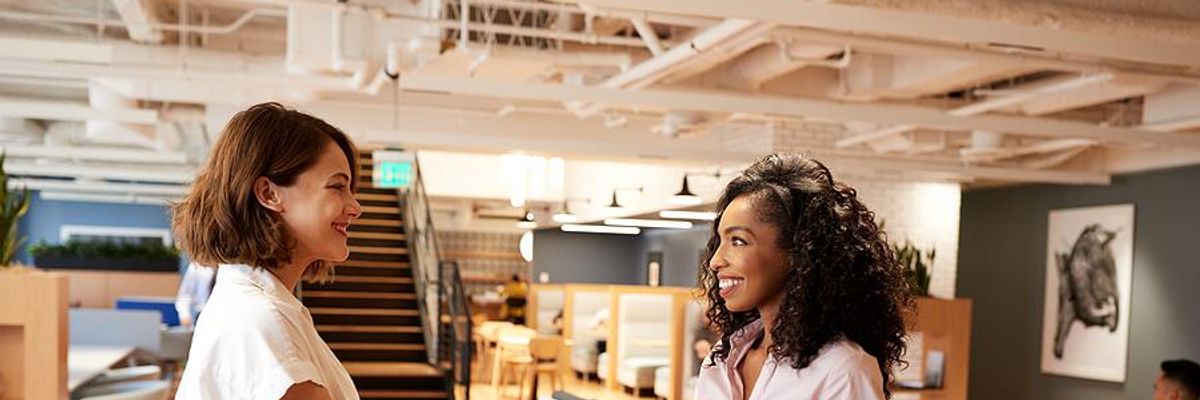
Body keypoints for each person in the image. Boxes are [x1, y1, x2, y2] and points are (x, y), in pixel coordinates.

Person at [173, 102, 363, 400]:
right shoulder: (262, 322)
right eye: (338, 187)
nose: (355, 207)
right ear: (269, 193)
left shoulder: (260, 307)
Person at [695, 154, 912, 400]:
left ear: (799, 251)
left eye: (738, 241)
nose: (715, 261)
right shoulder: (721, 360)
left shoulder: (842, 369)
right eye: (720, 241)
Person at [175, 261, 216, 328]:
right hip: (200, 316)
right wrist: (185, 315)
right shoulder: (197, 267)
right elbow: (184, 296)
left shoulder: (230, 269)